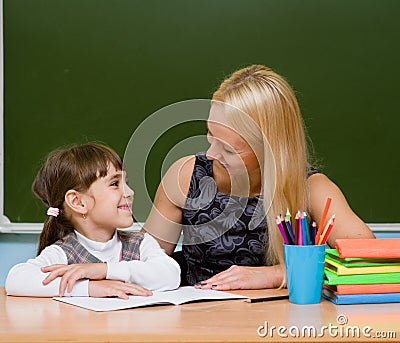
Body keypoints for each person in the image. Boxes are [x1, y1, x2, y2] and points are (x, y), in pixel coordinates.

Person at [143, 64, 375, 290]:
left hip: (277, 321)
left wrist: (278, 274)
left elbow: (369, 259)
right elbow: (144, 260)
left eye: (229, 150)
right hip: (195, 318)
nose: (211, 154)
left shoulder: (310, 188)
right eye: (210, 134)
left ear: (270, 149)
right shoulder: (187, 176)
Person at [5, 143, 180, 298]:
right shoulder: (63, 252)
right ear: (78, 202)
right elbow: (16, 280)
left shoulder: (140, 244)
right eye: (114, 184)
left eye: (125, 182)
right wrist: (89, 287)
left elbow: (171, 275)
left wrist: (104, 270)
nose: (129, 192)